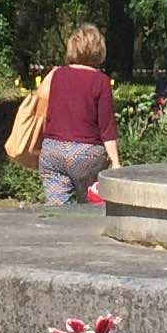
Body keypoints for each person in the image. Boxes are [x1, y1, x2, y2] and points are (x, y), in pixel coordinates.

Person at [36, 26, 121, 207]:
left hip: (53, 151)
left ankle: (58, 232)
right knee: (93, 208)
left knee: (57, 212)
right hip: (86, 154)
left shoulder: (56, 75)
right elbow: (106, 127)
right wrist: (115, 162)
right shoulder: (101, 81)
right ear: (99, 50)